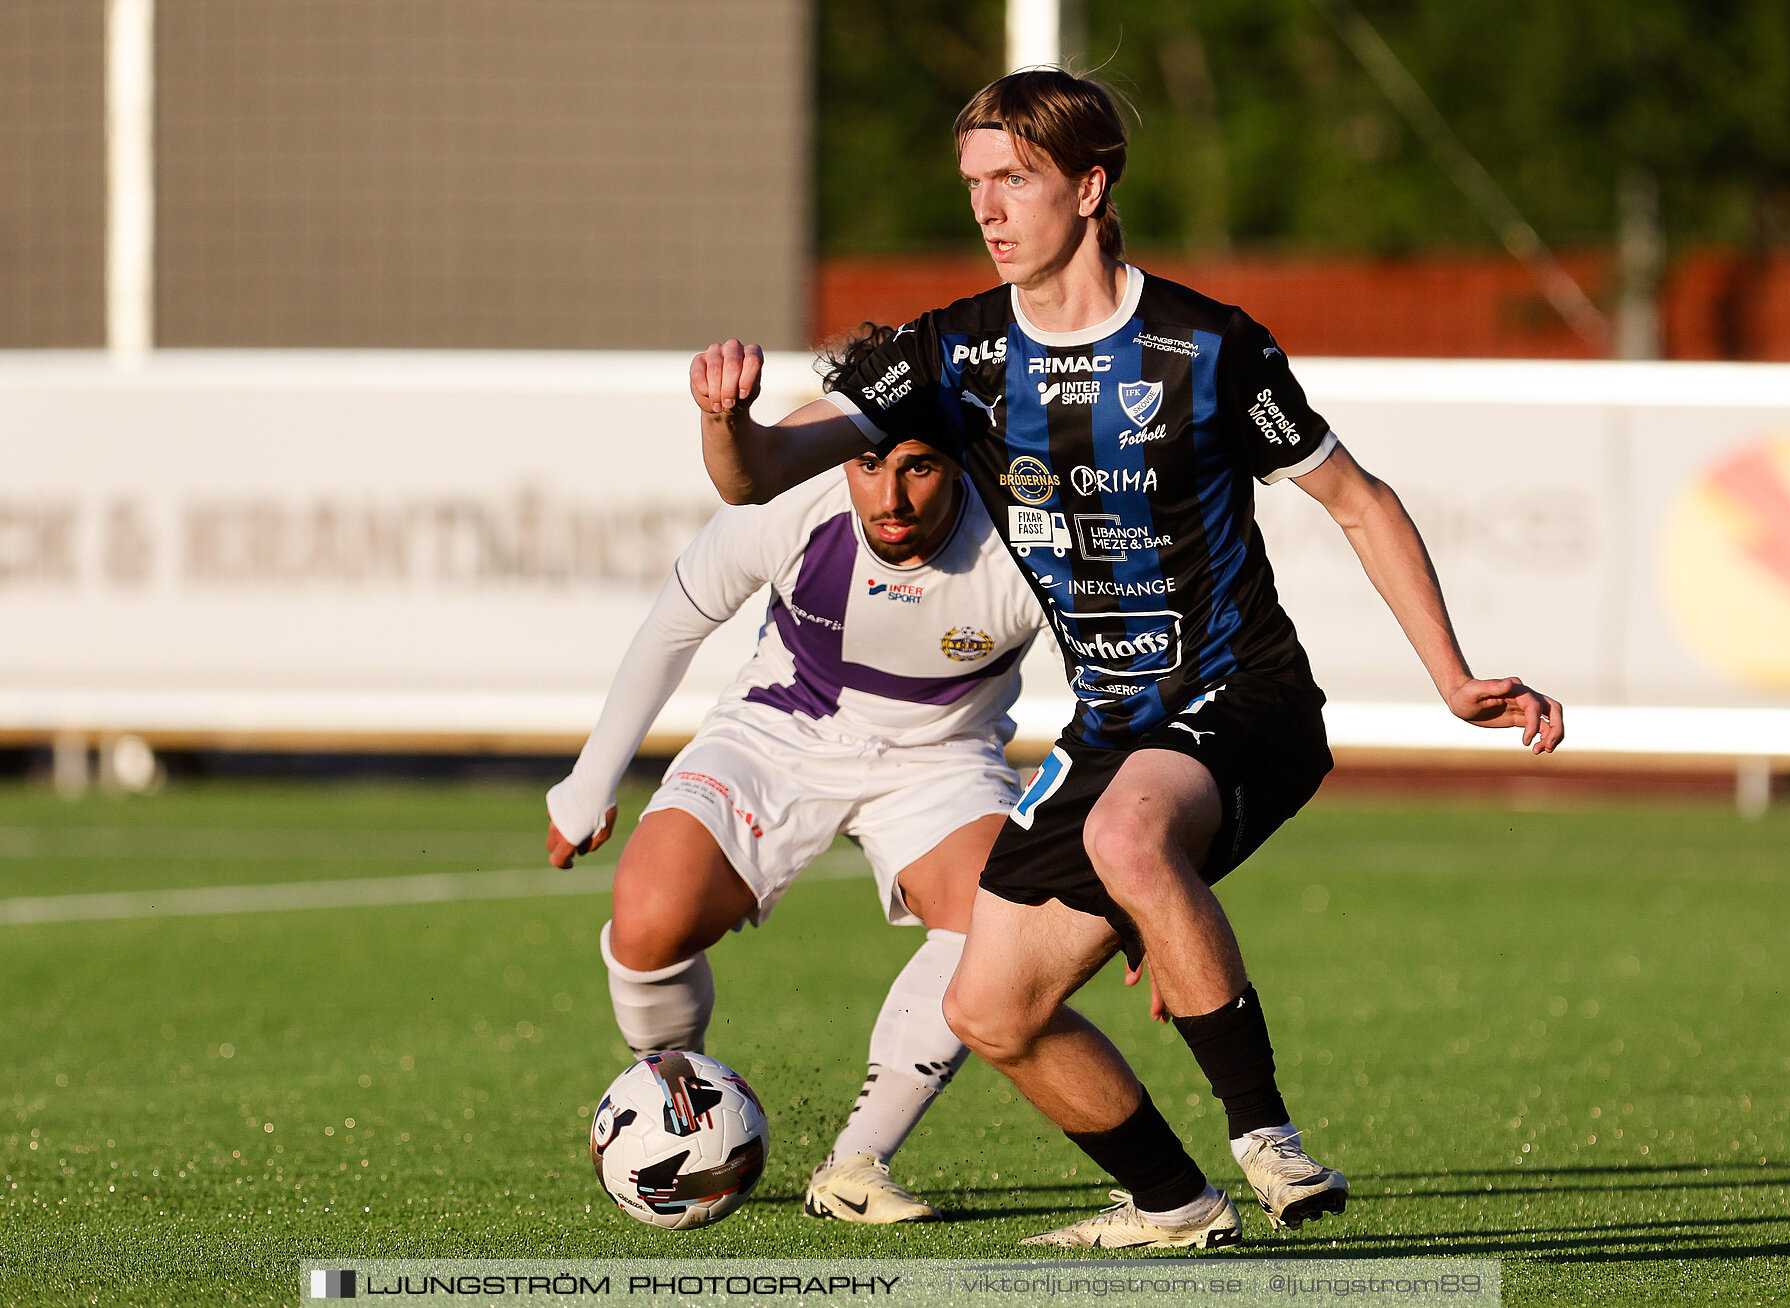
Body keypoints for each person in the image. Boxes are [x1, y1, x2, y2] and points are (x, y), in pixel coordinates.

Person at [687, 68, 1565, 1249]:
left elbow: (1358, 501)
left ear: (1090, 186)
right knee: (989, 1009)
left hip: (1242, 697)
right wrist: (722, 420)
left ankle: (1267, 1139)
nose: (988, 210)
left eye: (1015, 180)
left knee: (1123, 834)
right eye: (974, 185)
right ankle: (1176, 1206)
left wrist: (1452, 680)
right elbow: (753, 481)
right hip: (1111, 728)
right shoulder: (950, 356)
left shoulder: (1206, 346)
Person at [546, 326, 1046, 1224]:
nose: (888, 498)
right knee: (647, 919)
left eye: (921, 469)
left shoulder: (1030, 536)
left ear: (966, 463)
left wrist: (1136, 881)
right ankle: (680, 1101)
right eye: (868, 464)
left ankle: (857, 1165)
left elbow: (1124, 700)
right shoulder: (796, 497)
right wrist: (589, 782)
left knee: (999, 927)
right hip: (777, 728)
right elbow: (674, 625)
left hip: (941, 754)